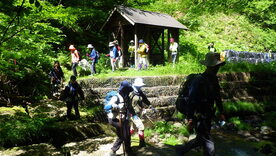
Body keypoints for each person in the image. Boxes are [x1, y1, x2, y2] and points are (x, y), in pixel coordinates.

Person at [175, 52, 226, 156]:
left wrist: (221, 112)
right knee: (208, 141)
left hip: (208, 115)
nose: (218, 68)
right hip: (199, 116)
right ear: (210, 66)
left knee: (200, 138)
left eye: (218, 66)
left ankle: (182, 150)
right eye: (216, 66)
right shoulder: (199, 81)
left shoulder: (214, 80)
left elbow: (217, 97)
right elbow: (192, 100)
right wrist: (190, 118)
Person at [107, 81, 135, 156]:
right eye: (126, 89)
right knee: (123, 134)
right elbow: (106, 107)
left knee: (127, 134)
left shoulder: (127, 98)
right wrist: (114, 105)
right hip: (114, 119)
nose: (127, 91)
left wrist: (134, 115)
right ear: (122, 89)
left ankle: (128, 150)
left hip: (124, 118)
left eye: (128, 90)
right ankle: (113, 151)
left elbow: (130, 108)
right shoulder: (116, 97)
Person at [129, 78, 155, 147]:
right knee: (141, 127)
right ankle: (142, 144)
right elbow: (127, 103)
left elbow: (145, 99)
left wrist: (150, 106)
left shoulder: (139, 91)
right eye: (140, 86)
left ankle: (128, 142)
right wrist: (130, 113)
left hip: (138, 113)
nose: (141, 87)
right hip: (132, 114)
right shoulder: (131, 92)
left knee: (133, 129)